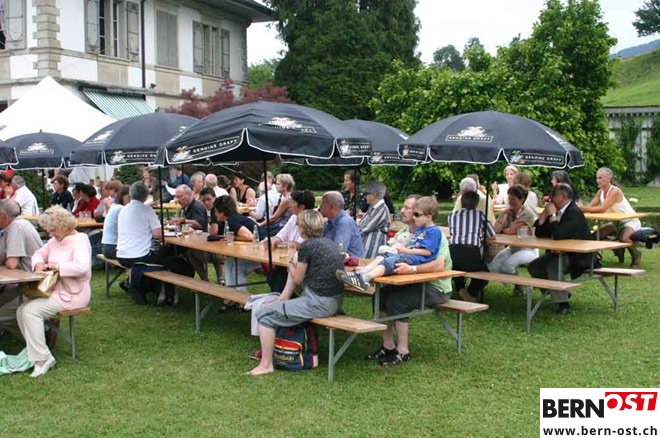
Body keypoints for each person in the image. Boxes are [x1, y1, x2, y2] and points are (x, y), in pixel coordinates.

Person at [248, 209, 345, 376]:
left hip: (319, 303)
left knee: (264, 315)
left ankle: (266, 364)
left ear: (302, 228)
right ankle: (283, 298)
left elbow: (298, 278)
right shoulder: (330, 243)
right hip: (335, 301)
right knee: (273, 307)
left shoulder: (307, 246)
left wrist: (290, 264)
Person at [364, 194, 453, 366]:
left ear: (423, 214)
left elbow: (439, 265)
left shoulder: (435, 235)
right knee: (380, 296)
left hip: (435, 286)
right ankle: (388, 346)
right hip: (412, 282)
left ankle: (403, 351)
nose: (403, 211)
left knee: (398, 302)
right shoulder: (405, 232)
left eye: (408, 208)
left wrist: (412, 269)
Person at [16, 206, 91, 377]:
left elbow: (82, 268)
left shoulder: (79, 241)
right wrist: (38, 264)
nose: (50, 234)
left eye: (53, 230)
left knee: (30, 311)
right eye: (49, 231)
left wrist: (57, 266)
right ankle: (39, 353)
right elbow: (38, 254)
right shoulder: (54, 241)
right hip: (56, 291)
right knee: (21, 310)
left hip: (74, 294)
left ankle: (42, 359)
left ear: (64, 226)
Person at [339, 196, 440, 293]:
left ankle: (364, 279)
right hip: (408, 257)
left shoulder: (433, 232)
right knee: (383, 256)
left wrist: (406, 251)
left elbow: (427, 252)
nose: (414, 217)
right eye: (413, 214)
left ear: (429, 217)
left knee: (389, 261)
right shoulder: (420, 230)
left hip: (416, 261)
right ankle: (360, 273)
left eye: (416, 214)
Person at [527, 183, 593, 315]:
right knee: (534, 267)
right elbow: (540, 233)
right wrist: (543, 216)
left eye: (553, 195)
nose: (550, 198)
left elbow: (559, 235)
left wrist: (552, 215)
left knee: (553, 266)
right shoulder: (555, 211)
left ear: (564, 196)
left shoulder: (574, 212)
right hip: (559, 253)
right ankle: (557, 292)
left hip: (578, 255)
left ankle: (564, 305)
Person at [579, 167, 642, 267]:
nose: (597, 180)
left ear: (609, 178)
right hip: (615, 222)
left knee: (624, 237)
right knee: (595, 235)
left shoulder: (615, 191)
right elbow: (591, 206)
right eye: (597, 178)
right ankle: (598, 257)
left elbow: (602, 208)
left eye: (600, 178)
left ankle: (636, 254)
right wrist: (582, 209)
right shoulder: (600, 192)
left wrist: (584, 208)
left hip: (630, 221)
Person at [0, 200, 43, 331]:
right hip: (27, 283)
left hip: (33, 287)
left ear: (2, 216)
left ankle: (45, 329)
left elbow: (12, 263)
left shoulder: (16, 227)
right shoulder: (20, 223)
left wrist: (7, 259)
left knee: (2, 315)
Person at [487, 185, 539, 295]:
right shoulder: (508, 212)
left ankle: (520, 285)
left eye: (513, 199)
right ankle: (517, 284)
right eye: (509, 198)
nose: (510, 202)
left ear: (521, 199)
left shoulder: (527, 214)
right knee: (493, 267)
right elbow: (496, 230)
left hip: (528, 249)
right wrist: (502, 214)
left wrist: (505, 230)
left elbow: (511, 231)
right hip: (513, 248)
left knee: (507, 266)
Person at [263, 189, 316, 292]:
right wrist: (274, 240)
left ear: (302, 207)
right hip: (289, 258)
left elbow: (300, 245)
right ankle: (282, 297)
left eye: (293, 202)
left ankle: (282, 298)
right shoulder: (293, 217)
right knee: (273, 275)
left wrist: (282, 244)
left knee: (278, 277)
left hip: (302, 263)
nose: (290, 205)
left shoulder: (311, 221)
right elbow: (282, 235)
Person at [214, 195, 265, 298]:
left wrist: (233, 237)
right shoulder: (233, 218)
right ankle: (230, 295)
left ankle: (242, 299)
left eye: (216, 211)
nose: (215, 214)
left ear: (222, 213)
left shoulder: (232, 221)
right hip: (259, 248)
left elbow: (249, 236)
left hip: (264, 252)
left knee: (238, 269)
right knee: (229, 261)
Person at [448, 191, 495, 303]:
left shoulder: (452, 216)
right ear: (476, 203)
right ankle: (471, 292)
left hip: (453, 253)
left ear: (461, 202)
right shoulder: (479, 215)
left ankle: (460, 288)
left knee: (457, 267)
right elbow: (492, 234)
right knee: (484, 271)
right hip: (471, 254)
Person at [319, 191, 365, 257]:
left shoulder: (345, 223)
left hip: (351, 262)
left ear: (331, 207)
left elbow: (338, 251)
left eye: (322, 204)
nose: (320, 207)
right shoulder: (329, 221)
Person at [359, 181, 391, 259]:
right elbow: (362, 223)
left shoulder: (381, 208)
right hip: (366, 244)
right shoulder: (373, 207)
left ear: (374, 194)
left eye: (366, 193)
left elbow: (365, 227)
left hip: (374, 246)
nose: (364, 196)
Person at [101, 184, 130, 260]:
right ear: (122, 196)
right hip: (113, 248)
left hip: (107, 246)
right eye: (129, 197)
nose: (131, 200)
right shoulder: (121, 209)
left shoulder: (114, 206)